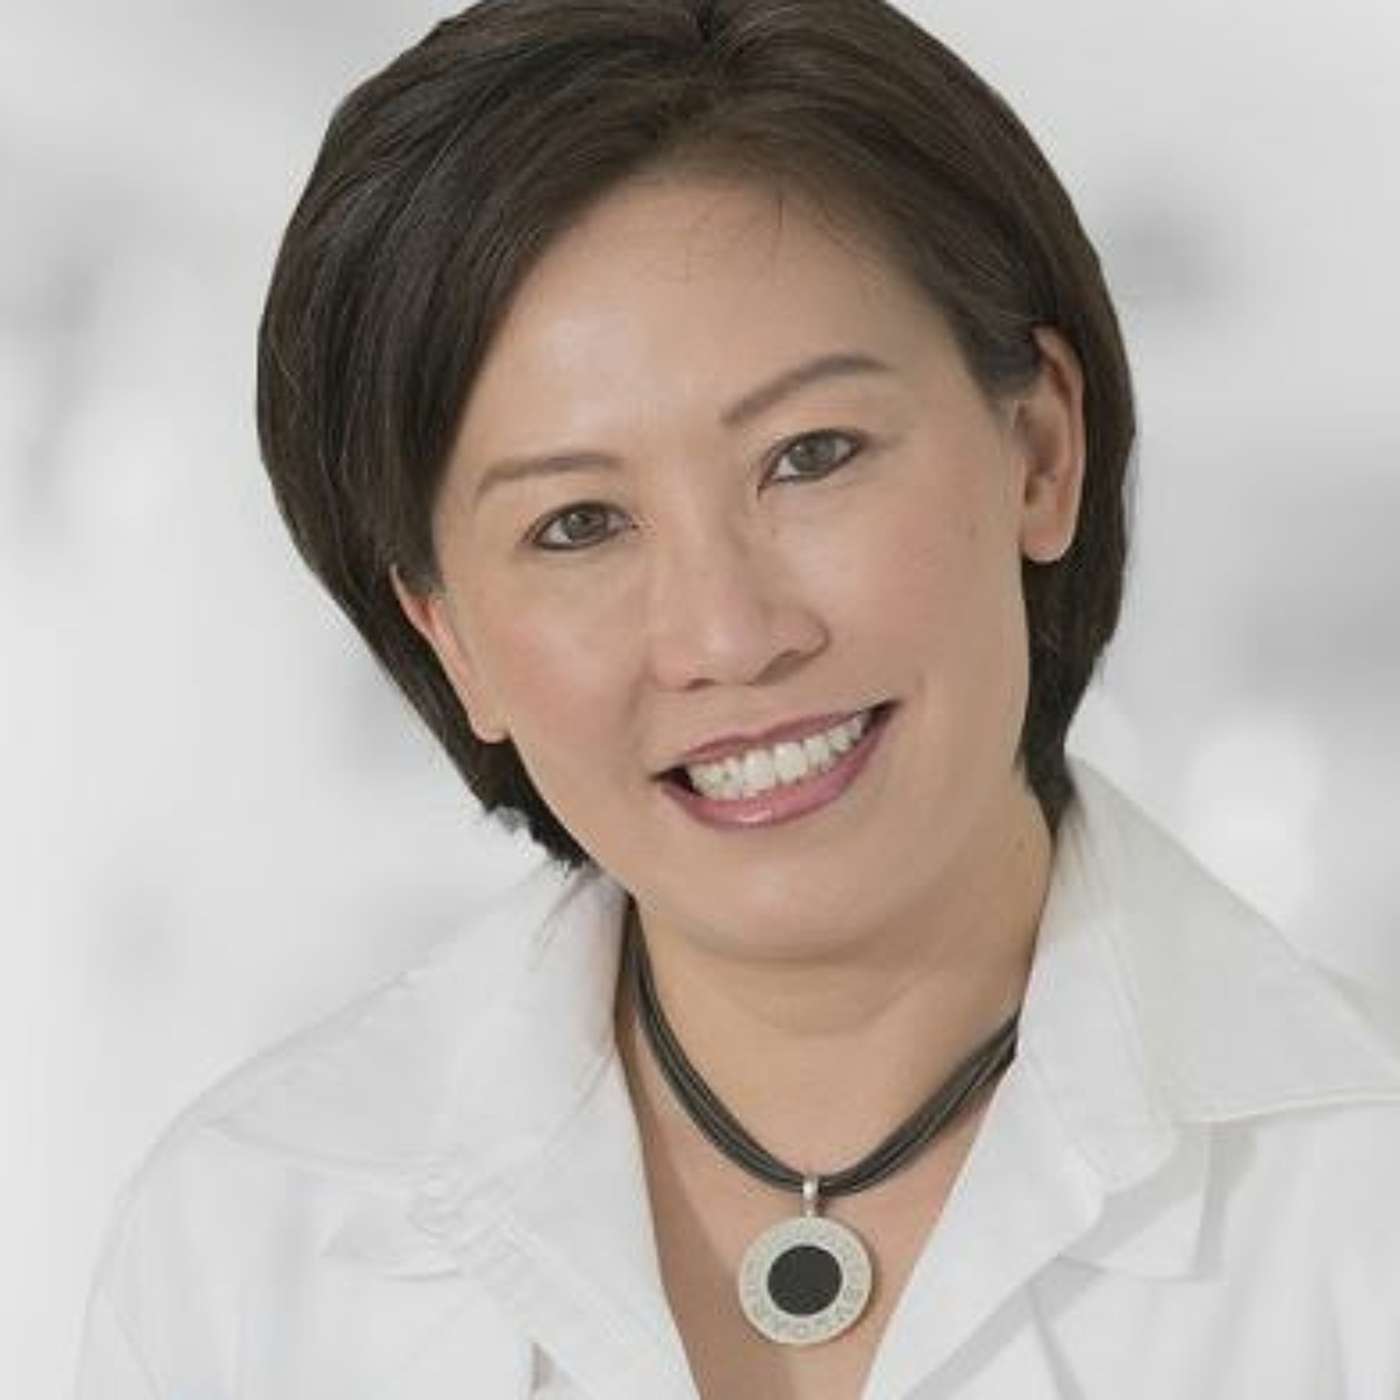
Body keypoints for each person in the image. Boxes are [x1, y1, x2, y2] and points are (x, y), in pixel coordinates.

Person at [76, 1, 1400, 1395]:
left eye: (812, 454)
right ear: (450, 637)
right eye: (579, 525)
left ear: (1040, 450)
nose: (727, 635)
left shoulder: (1361, 1197)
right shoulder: (243, 1247)